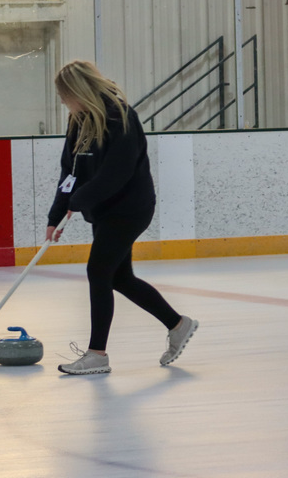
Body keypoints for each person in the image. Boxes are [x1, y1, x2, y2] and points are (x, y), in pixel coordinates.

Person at [47, 60, 198, 374]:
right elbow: (69, 171)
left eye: (65, 96)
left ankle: (97, 355)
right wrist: (57, 213)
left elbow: (117, 173)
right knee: (119, 277)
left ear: (79, 91)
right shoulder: (78, 120)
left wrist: (79, 201)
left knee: (98, 271)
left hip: (130, 208)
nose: (64, 103)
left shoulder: (121, 117)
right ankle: (178, 324)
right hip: (102, 210)